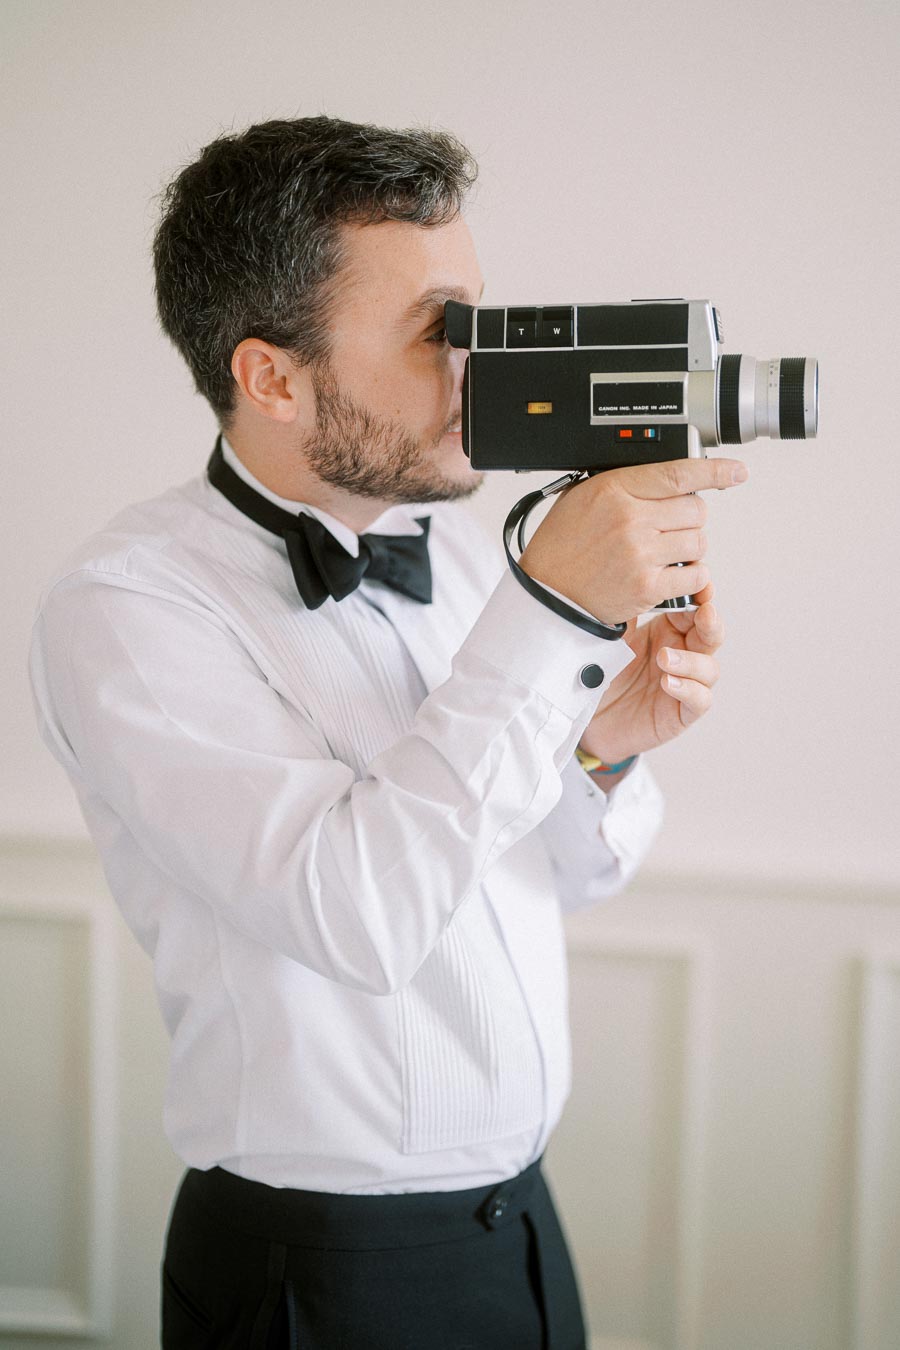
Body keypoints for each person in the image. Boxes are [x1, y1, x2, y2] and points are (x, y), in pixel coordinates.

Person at [29, 116, 747, 1349]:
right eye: (439, 331)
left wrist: (596, 751)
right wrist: (550, 617)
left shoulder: (463, 556)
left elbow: (550, 876)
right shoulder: (127, 611)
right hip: (322, 1273)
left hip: (523, 1229)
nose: (483, 367)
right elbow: (360, 919)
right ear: (273, 377)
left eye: (484, 319)